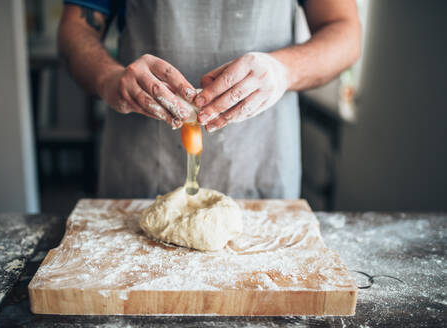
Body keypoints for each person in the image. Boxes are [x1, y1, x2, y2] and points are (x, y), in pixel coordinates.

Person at [58, 0, 361, 199]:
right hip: (142, 163)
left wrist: (284, 70)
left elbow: (345, 30)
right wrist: (109, 78)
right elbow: (76, 28)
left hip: (260, 161)